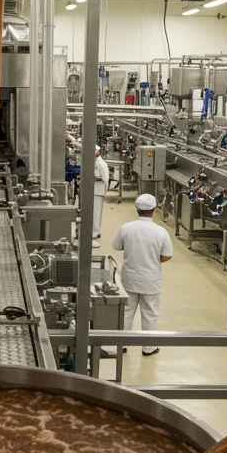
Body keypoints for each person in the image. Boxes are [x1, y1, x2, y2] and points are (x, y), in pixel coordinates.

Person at [111, 193, 173, 356]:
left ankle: (121, 344)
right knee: (150, 313)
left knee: (126, 311)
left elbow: (116, 246)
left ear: (137, 209)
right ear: (154, 209)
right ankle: (148, 347)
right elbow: (167, 255)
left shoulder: (127, 228)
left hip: (129, 278)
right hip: (151, 280)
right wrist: (153, 259)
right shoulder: (161, 232)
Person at [92, 145, 110, 248]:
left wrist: (93, 178)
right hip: (94, 190)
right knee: (94, 212)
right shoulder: (95, 162)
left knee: (96, 212)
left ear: (98, 152)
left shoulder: (101, 164)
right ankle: (94, 230)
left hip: (98, 191)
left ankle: (95, 232)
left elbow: (105, 179)